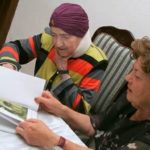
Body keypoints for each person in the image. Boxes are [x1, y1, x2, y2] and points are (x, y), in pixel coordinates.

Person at [16, 37, 150, 149]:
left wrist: (56, 141)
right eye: (132, 71)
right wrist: (60, 109)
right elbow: (95, 125)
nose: (127, 78)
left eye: (137, 75)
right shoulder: (132, 100)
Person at [0, 3, 107, 114]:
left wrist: (64, 73)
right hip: (32, 107)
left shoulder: (97, 61)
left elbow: (82, 109)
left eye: (65, 36)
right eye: (54, 34)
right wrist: (9, 64)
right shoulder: (48, 39)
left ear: (82, 35)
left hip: (60, 121)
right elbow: (13, 46)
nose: (57, 43)